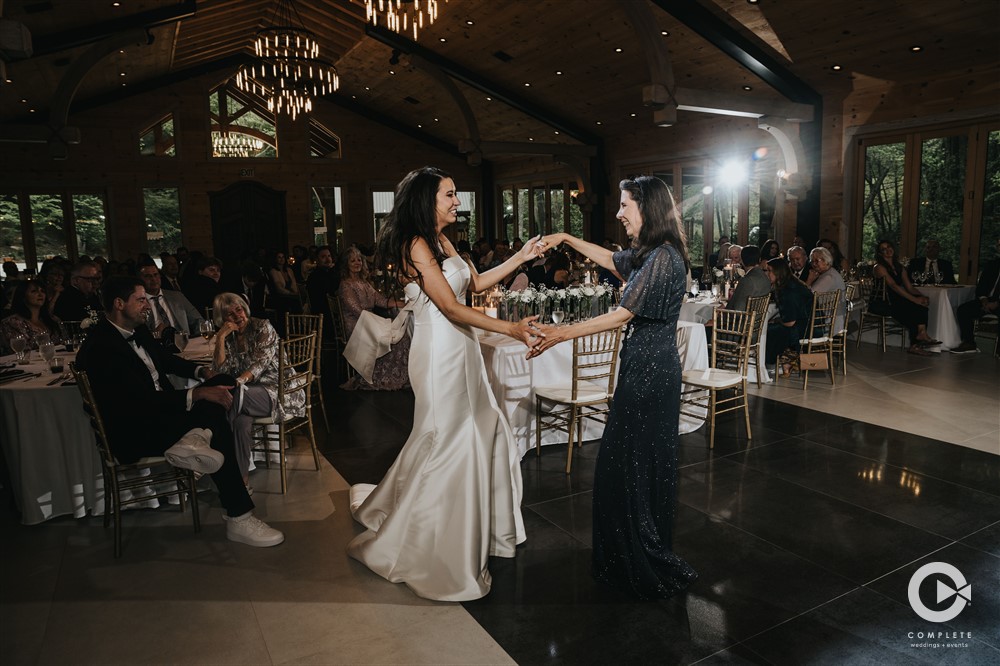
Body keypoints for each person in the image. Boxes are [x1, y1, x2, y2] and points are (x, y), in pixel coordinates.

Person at [347, 166, 540, 601]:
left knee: (480, 429)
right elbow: (450, 308)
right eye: (450, 194)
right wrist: (510, 330)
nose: (457, 202)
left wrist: (521, 258)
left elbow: (473, 284)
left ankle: (474, 528)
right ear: (426, 199)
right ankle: (424, 542)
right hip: (439, 353)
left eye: (456, 194)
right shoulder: (414, 244)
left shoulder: (444, 240)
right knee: (448, 438)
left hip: (465, 348)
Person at [529, 175, 697, 600]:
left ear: (648, 208)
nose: (619, 213)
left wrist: (561, 333)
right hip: (644, 367)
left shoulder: (664, 257)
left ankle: (642, 554)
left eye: (625, 205)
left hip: (650, 374)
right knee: (627, 465)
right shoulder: (650, 255)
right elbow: (609, 258)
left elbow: (621, 315)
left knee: (630, 465)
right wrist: (567, 236)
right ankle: (631, 551)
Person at [74, 276, 284, 547]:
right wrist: (195, 393)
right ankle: (239, 515)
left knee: (223, 385)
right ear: (118, 303)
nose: (146, 306)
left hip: (159, 414)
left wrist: (202, 372)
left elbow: (166, 360)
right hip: (137, 429)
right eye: (140, 300)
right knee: (217, 426)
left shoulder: (136, 330)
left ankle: (197, 438)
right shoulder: (102, 347)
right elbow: (139, 402)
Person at [211, 292, 305, 489]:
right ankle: (241, 483)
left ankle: (210, 442)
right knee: (240, 422)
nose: (238, 316)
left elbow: (258, 365)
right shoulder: (229, 337)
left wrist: (237, 383)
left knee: (231, 397)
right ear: (222, 319)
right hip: (250, 394)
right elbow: (221, 372)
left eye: (239, 309)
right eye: (230, 314)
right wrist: (219, 338)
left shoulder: (263, 326)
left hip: (279, 390)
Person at [337, 246, 411, 391]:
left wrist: (401, 303)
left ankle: (396, 376)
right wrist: (380, 324)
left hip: (369, 322)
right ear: (346, 264)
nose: (357, 263)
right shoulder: (345, 285)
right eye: (352, 260)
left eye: (359, 259)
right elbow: (357, 311)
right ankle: (382, 377)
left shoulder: (364, 283)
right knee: (395, 338)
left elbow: (381, 301)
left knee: (403, 334)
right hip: (357, 326)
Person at [873, 239, 940, 355]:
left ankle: (921, 335)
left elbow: (909, 287)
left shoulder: (900, 267)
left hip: (897, 299)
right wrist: (915, 299)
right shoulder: (879, 267)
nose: (888, 250)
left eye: (889, 246)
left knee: (921, 305)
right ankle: (917, 342)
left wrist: (921, 297)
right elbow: (893, 286)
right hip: (883, 302)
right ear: (880, 254)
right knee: (914, 308)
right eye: (883, 249)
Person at [764, 257, 813, 372]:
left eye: (769, 270)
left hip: (804, 329)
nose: (767, 274)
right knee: (771, 326)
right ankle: (784, 362)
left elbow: (790, 322)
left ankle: (774, 364)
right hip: (810, 324)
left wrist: (776, 321)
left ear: (778, 272)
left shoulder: (787, 290)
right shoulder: (791, 283)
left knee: (767, 330)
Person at [950, 240, 1000, 354]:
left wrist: (997, 303)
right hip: (987, 300)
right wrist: (984, 300)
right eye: (999, 245)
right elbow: (981, 287)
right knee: (963, 310)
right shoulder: (992, 265)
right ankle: (969, 342)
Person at [137, 259, 204, 336]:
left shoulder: (177, 296)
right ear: (139, 279)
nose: (153, 279)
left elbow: (198, 320)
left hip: (184, 342)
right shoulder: (138, 302)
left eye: (156, 275)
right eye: (148, 276)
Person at [0, 280, 63, 353]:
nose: (40, 294)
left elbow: (64, 342)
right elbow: (19, 350)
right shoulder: (12, 322)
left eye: (42, 291)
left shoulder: (53, 319)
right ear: (23, 296)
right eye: (34, 291)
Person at [808, 247, 847, 334]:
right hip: (831, 318)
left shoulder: (828, 277)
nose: (814, 264)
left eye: (816, 261)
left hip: (829, 322)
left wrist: (809, 280)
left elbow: (808, 296)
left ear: (826, 260)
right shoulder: (829, 272)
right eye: (812, 261)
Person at [306, 246, 339, 337]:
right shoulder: (315, 277)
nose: (327, 259)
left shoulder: (333, 273)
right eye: (323, 257)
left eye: (329, 256)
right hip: (325, 317)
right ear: (317, 259)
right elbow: (325, 298)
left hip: (332, 313)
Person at [727, 245, 770, 312]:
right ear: (759, 259)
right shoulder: (765, 277)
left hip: (742, 321)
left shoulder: (747, 280)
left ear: (742, 261)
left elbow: (738, 310)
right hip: (758, 319)